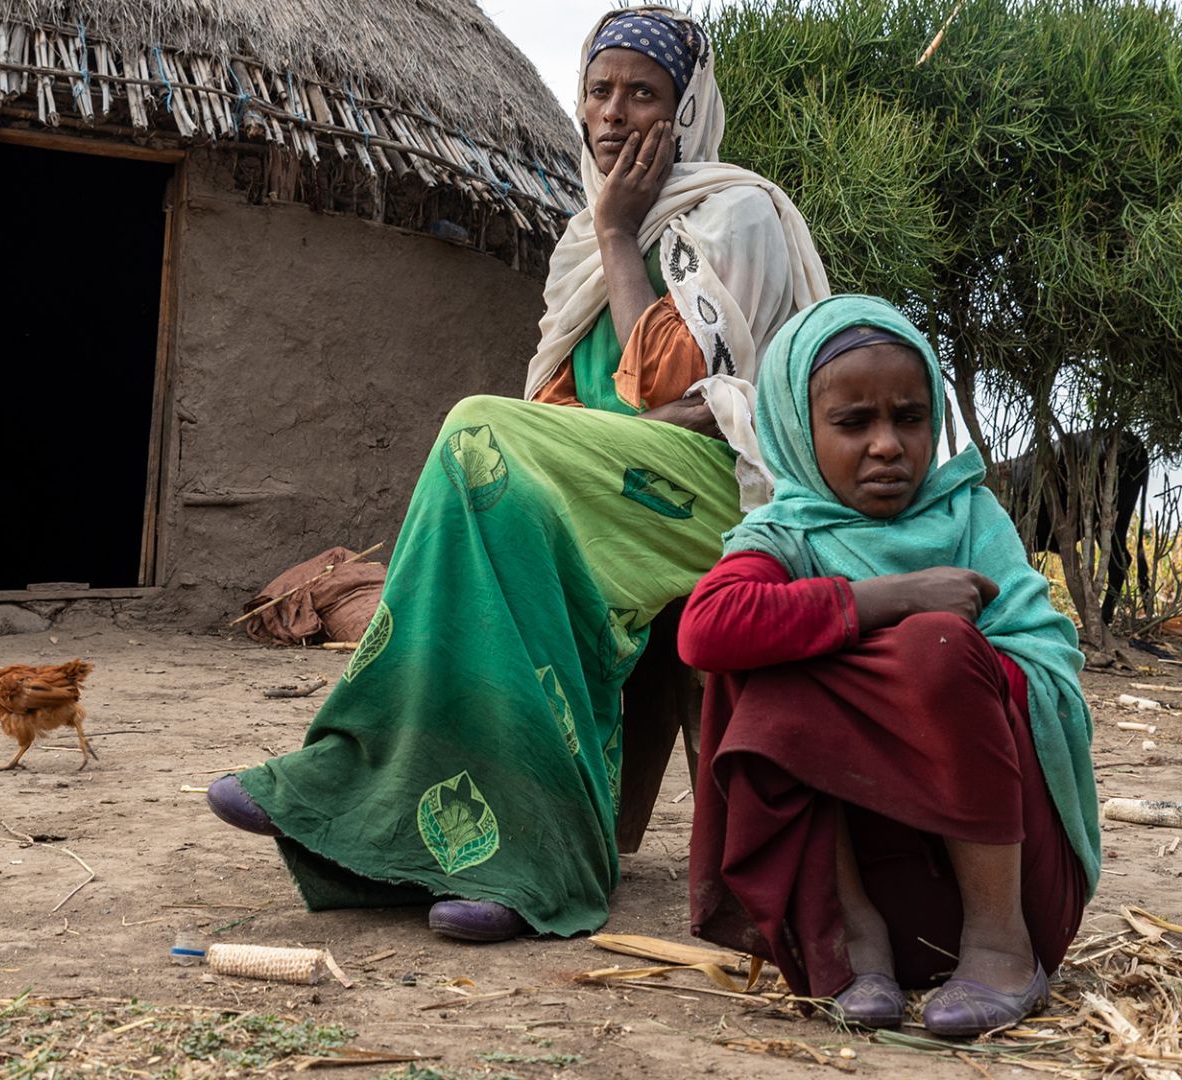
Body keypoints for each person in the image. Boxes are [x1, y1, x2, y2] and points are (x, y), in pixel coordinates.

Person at [203, 6, 829, 943]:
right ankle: (494, 848)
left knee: (476, 429)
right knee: (488, 500)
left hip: (717, 492)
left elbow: (691, 390)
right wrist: (606, 246)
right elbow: (574, 411)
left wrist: (624, 236)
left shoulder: (735, 214)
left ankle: (350, 772)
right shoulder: (580, 237)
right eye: (600, 91)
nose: (614, 114)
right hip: (611, 485)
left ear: (687, 111)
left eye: (643, 95)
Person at [679, 295, 1098, 1036]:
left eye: (910, 418)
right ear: (795, 431)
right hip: (860, 886)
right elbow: (706, 630)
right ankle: (853, 939)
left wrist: (919, 652)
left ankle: (1001, 947)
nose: (886, 445)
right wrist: (888, 598)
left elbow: (1045, 665)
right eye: (852, 423)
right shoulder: (784, 531)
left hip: (1002, 882)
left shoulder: (968, 519)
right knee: (767, 652)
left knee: (933, 647)